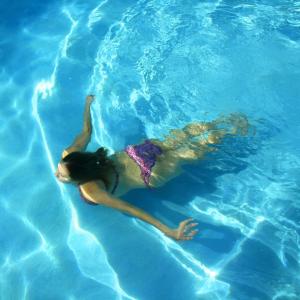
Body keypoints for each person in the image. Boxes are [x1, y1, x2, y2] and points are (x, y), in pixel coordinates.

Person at [55, 95, 249, 241]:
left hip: (149, 174)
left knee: (194, 152)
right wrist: (88, 104)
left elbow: (130, 208)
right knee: (183, 135)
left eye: (62, 175)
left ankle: (230, 130)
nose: (57, 174)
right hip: (138, 152)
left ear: (81, 177)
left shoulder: (92, 190)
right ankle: (228, 119)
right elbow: (86, 131)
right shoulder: (70, 155)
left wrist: (169, 231)